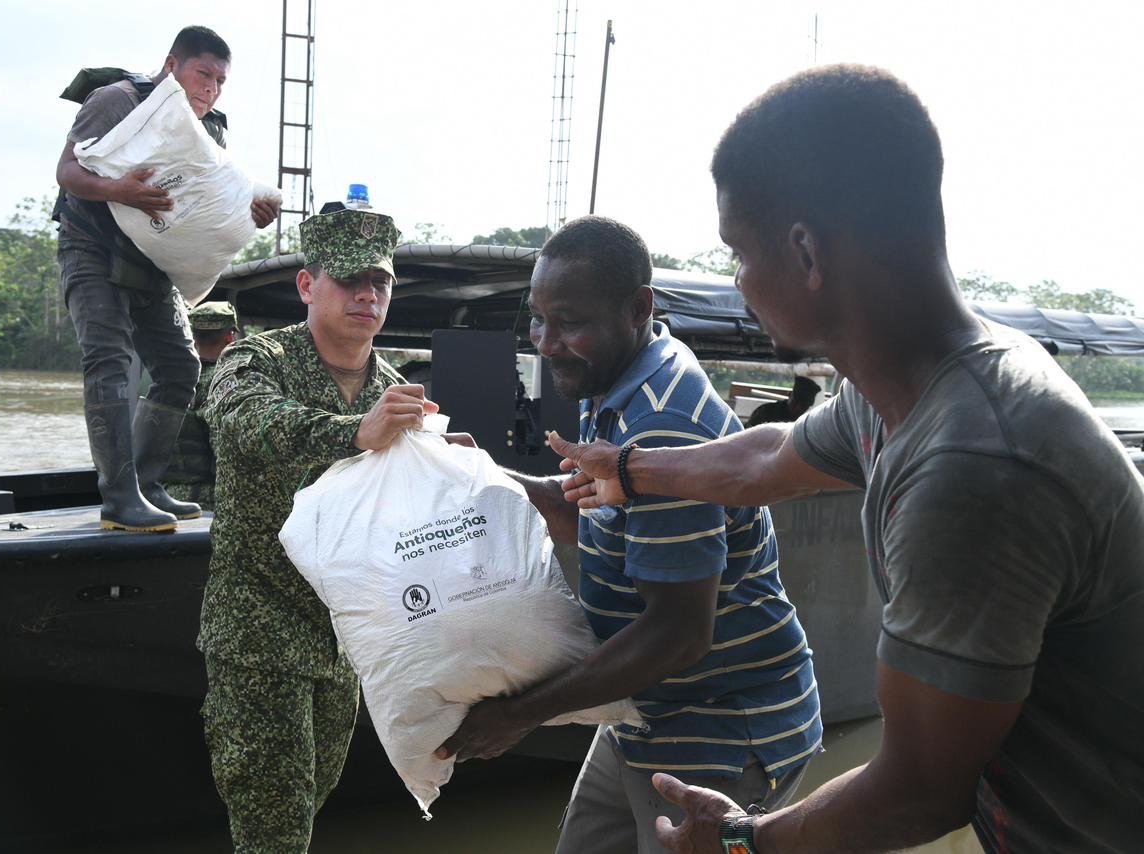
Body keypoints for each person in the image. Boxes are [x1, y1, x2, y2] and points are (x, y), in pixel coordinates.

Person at [551, 65, 1144, 853]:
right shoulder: (905, 386)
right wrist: (629, 472)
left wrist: (741, 841)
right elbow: (770, 456)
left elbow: (918, 791)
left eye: (738, 252)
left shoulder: (973, 470)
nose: (738, 280)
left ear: (806, 253)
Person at [435, 216, 822, 854]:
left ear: (639, 308)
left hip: (716, 724)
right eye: (538, 319)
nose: (546, 343)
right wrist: (480, 474)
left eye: (568, 322)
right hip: (638, 711)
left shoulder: (664, 424)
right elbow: (589, 512)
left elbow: (678, 634)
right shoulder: (619, 376)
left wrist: (517, 715)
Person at [198, 206, 436, 853]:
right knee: (273, 821)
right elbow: (246, 422)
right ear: (308, 285)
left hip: (344, 638)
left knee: (312, 799)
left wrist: (443, 465)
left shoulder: (393, 388)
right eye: (350, 279)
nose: (367, 295)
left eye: (379, 283)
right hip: (259, 629)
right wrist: (356, 432)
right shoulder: (256, 360)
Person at [55, 25, 278, 533]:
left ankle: (149, 484)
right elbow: (67, 171)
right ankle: (119, 498)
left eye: (221, 81)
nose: (211, 89)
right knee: (108, 362)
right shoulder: (117, 99)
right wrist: (120, 190)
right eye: (203, 74)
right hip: (93, 249)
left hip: (153, 264)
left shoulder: (210, 129)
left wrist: (251, 214)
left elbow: (208, 202)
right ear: (172, 65)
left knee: (180, 367)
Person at [161, 301, 237, 511]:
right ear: (230, 336)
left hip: (164, 495)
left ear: (194, 337)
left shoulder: (169, 379)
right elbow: (227, 451)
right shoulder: (224, 381)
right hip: (206, 499)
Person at [745, 375, 821, 427]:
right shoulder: (765, 413)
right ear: (789, 395)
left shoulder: (806, 424)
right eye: (795, 403)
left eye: (804, 406)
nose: (798, 409)